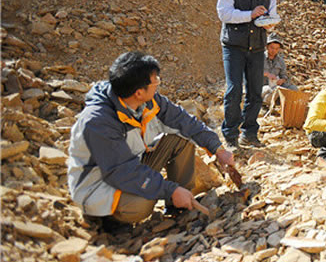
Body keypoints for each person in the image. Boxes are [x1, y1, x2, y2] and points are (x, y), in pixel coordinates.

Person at [67, 52, 241, 230]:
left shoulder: (146, 100)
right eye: (155, 81)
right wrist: (170, 190)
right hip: (98, 185)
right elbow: (121, 171)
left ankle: (178, 206)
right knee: (142, 204)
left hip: (130, 164)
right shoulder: (98, 122)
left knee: (179, 139)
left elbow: (184, 121)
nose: (158, 83)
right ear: (139, 92)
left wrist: (218, 149)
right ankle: (110, 220)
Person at [217, 0, 280, 148]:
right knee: (234, 89)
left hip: (257, 46)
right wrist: (250, 14)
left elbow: (272, 16)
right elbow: (224, 14)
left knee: (255, 92)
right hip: (234, 46)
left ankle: (250, 133)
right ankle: (230, 136)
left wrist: (269, 23)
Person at [262, 33, 298, 105]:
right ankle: (265, 104)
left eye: (276, 49)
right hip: (262, 87)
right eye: (272, 48)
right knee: (269, 90)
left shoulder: (280, 60)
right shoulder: (259, 57)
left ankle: (280, 103)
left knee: (294, 89)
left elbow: (284, 75)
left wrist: (282, 80)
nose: (274, 51)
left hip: (276, 87)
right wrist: (267, 74)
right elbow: (252, 72)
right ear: (267, 47)